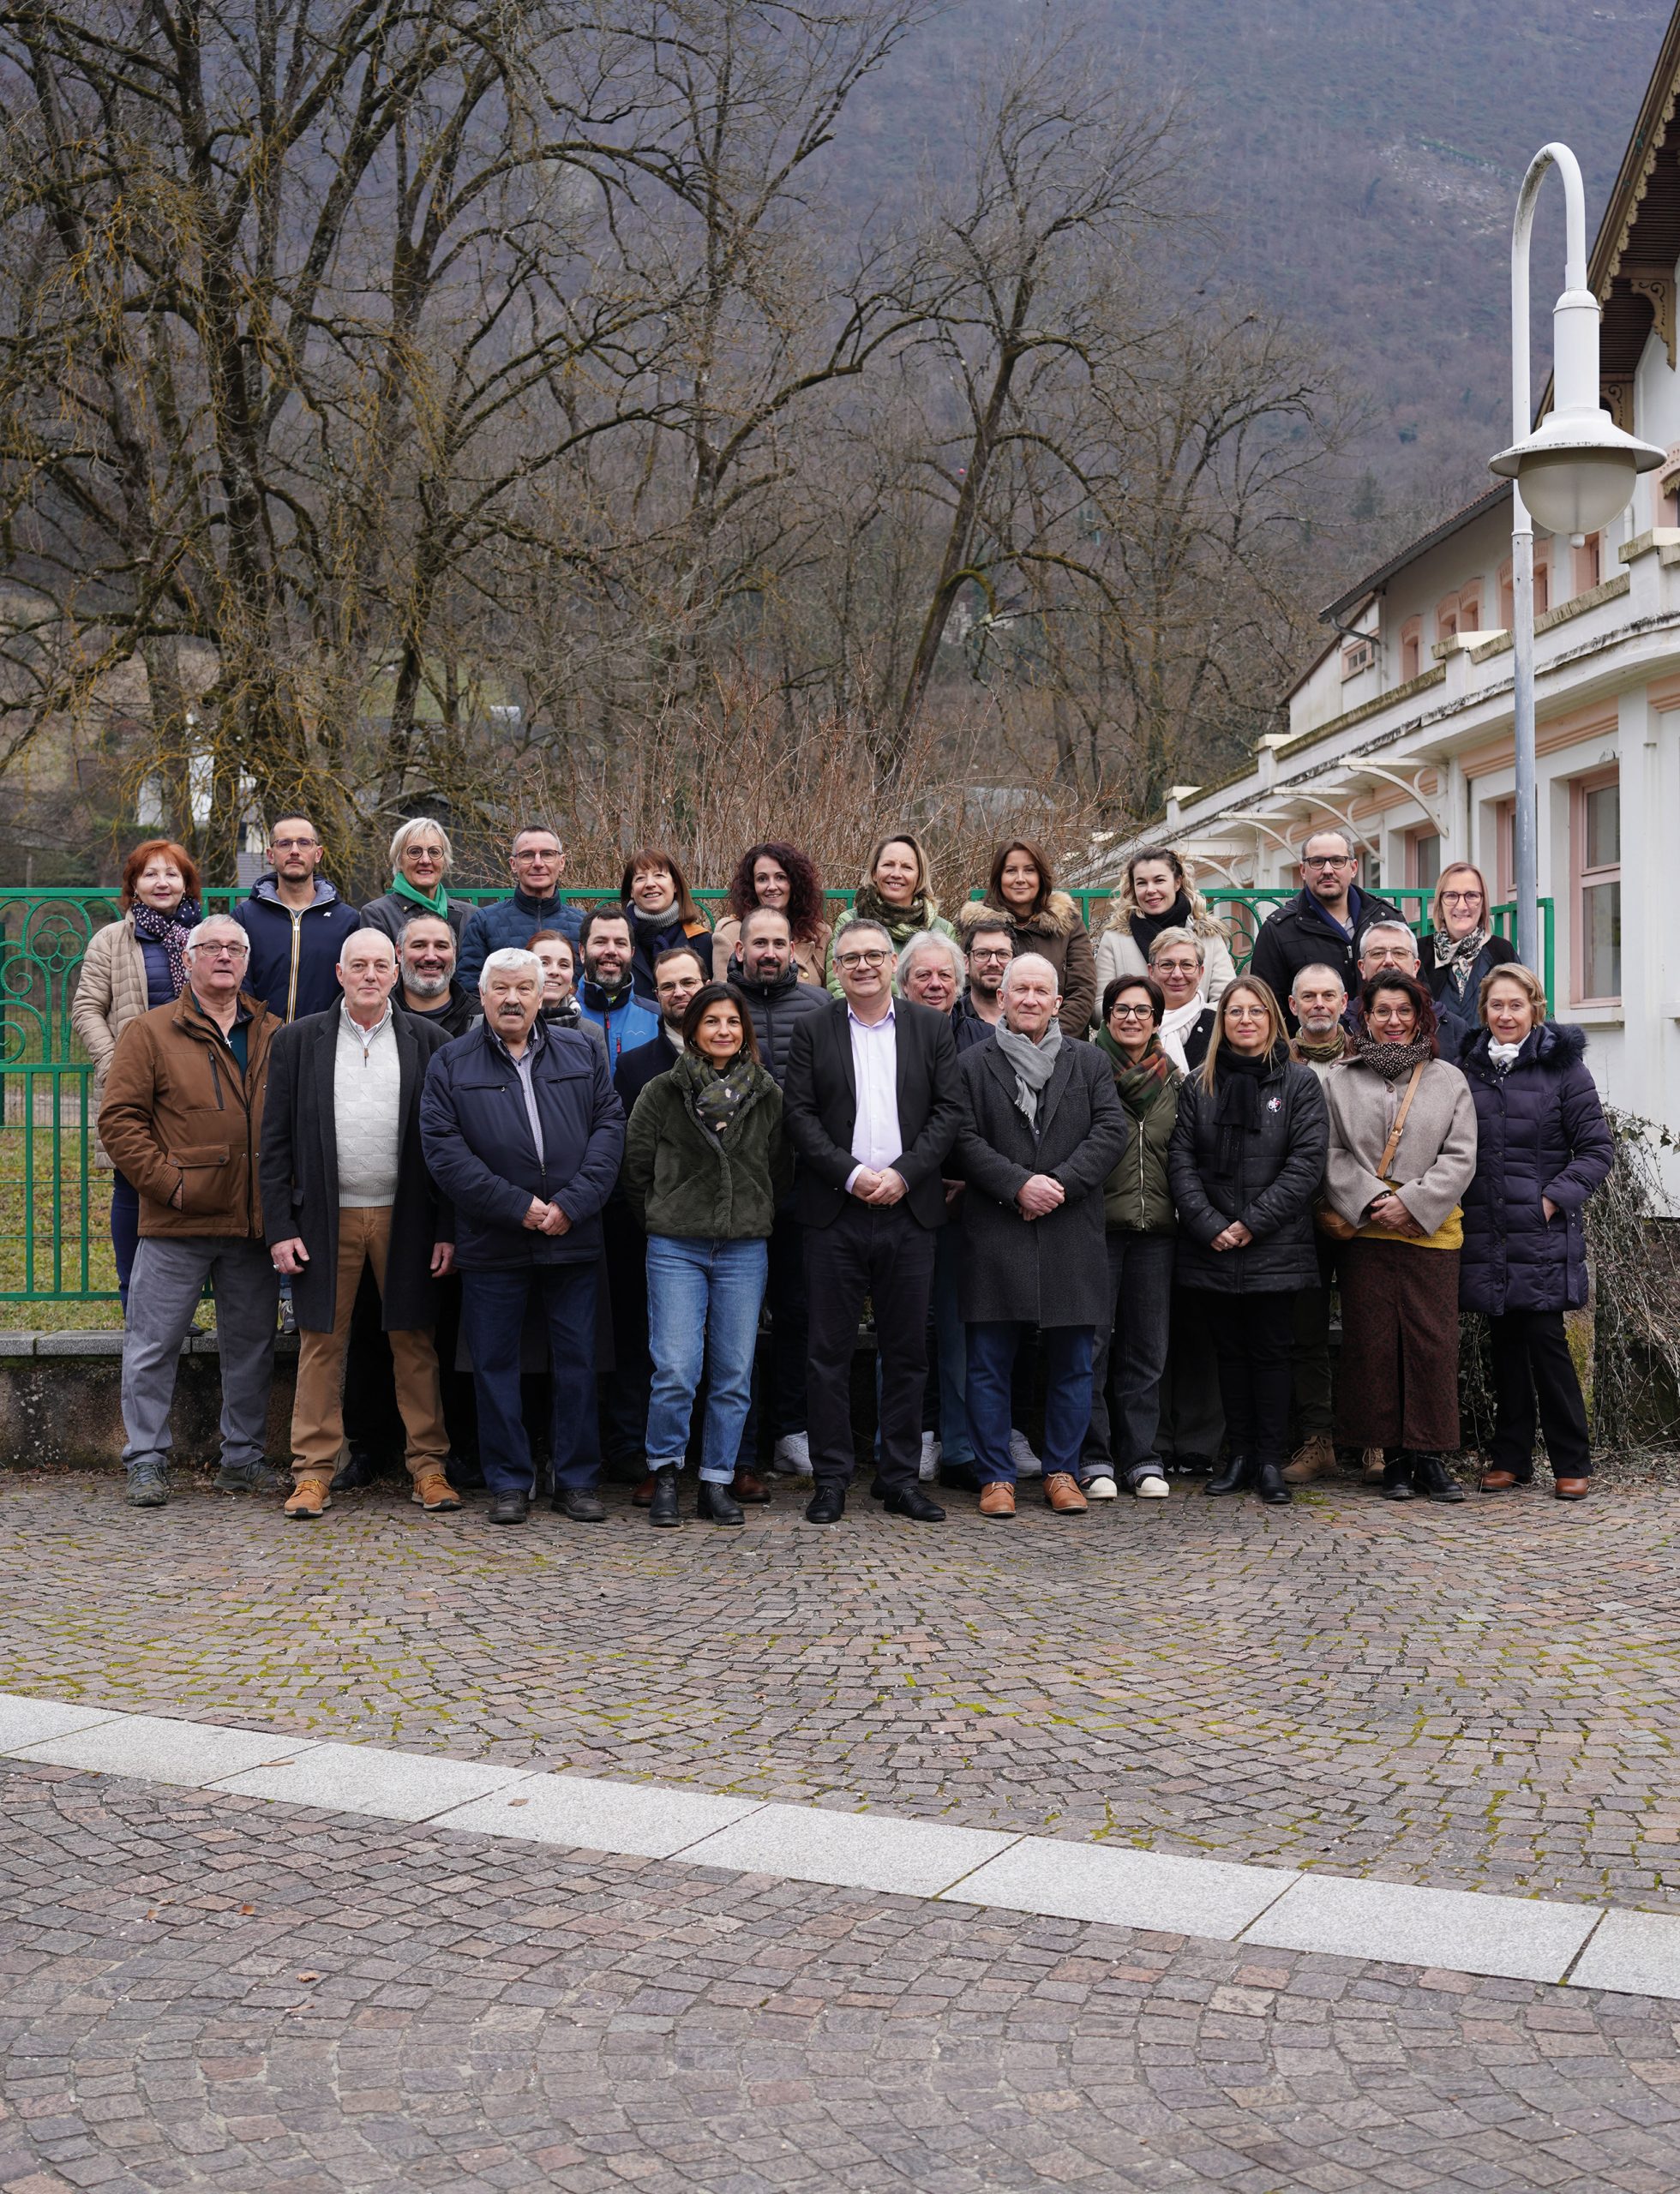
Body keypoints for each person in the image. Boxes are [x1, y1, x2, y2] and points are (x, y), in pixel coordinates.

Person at [418, 946, 624, 1525]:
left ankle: (576, 1480)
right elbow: (444, 1152)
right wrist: (518, 1208)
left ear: (543, 995)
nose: (513, 999)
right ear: (482, 996)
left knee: (577, 1363)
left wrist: (571, 1204)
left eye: (524, 989)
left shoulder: (582, 1052)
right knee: (495, 1366)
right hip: (494, 1238)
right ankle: (508, 1482)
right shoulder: (451, 1062)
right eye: (501, 989)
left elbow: (610, 1128)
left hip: (572, 1233)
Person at [260, 929, 459, 1520]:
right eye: (359, 965)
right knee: (320, 1343)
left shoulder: (432, 1041)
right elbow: (274, 1143)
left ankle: (429, 1467)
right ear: (340, 974)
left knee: (414, 1342)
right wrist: (280, 1227)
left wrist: (446, 1227)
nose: (370, 975)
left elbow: (452, 1143)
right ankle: (312, 1472)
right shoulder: (297, 1041)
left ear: (395, 972)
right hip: (325, 1216)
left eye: (380, 965)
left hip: (408, 1214)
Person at [784, 913, 963, 1524]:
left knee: (908, 1352)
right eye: (850, 958)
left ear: (893, 963)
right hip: (835, 1211)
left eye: (873, 955)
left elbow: (948, 1112)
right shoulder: (813, 1029)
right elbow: (800, 1115)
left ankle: (899, 1478)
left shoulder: (929, 1028)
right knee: (827, 1353)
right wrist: (852, 1173)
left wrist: (904, 1174)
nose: (862, 966)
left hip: (909, 1211)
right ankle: (832, 1479)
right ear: (836, 969)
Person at [97, 915, 280, 1507]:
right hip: (177, 1220)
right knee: (152, 1344)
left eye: (234, 948)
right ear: (189, 959)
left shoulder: (275, 1032)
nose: (224, 956)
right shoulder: (149, 1031)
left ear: (246, 961)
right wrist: (169, 1185)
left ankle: (243, 1459)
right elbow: (119, 1121)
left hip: (252, 1223)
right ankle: (146, 1459)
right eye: (211, 947)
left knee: (250, 1347)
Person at [954, 955, 1127, 1518]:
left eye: (1041, 990)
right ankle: (995, 1477)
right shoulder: (971, 1064)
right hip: (996, 1228)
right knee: (988, 1364)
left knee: (1074, 1363)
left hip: (1070, 1229)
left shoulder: (1089, 1061)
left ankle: (1062, 1471)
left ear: (1057, 1002)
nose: (1030, 999)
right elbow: (962, 1137)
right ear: (1001, 998)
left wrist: (1058, 1185)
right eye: (1020, 989)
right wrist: (1018, 1186)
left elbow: (1110, 1130)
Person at [622, 984, 793, 1527]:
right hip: (676, 1246)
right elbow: (636, 1169)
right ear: (693, 1028)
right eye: (712, 1021)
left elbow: (779, 1169)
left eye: (733, 1022)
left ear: (746, 1031)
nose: (724, 1030)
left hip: (744, 1248)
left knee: (734, 1371)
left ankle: (717, 1481)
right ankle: (666, 1473)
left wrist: (753, 1210)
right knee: (676, 1367)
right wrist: (666, 1212)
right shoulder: (661, 1091)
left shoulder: (766, 1094)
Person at [1167, 974, 1328, 1506]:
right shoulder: (1199, 1085)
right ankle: (1238, 1456)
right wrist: (1210, 1224)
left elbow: (1306, 1164)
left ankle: (1270, 1461)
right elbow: (1181, 1160)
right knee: (1229, 1354)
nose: (1245, 1020)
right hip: (1212, 1243)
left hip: (1273, 1243)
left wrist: (1252, 1223)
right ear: (1222, 1022)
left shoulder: (1299, 1084)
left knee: (1271, 1352)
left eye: (1256, 1011)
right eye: (1235, 1011)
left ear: (1273, 1019)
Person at [1322, 973, 1478, 1503]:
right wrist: (1373, 1200)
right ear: (1365, 1017)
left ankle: (1430, 1457)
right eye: (1382, 1011)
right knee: (1373, 1345)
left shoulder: (1449, 1080)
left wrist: (1411, 1203)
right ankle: (1390, 1459)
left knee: (1432, 1344)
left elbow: (1461, 1156)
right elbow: (1330, 1153)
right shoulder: (1340, 1081)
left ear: (1420, 1017)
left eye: (1403, 1011)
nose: (1393, 1021)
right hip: (1366, 1233)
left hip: (1431, 1233)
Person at [1458, 965, 1612, 1501]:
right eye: (1496, 1005)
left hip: (1540, 1232)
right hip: (1485, 1229)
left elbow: (1596, 1150)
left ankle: (1572, 1460)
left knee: (1547, 1344)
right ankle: (1511, 1458)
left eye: (1516, 1005)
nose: (1505, 1015)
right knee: (1503, 1345)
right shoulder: (1466, 1070)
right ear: (1484, 1011)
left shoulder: (1564, 1069)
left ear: (1535, 1009)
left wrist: (1552, 1198)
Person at [72, 839, 203, 1306]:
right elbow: (87, 1008)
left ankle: (180, 1306)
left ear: (187, 884)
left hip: (197, 1086)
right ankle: (135, 1301)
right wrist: (116, 1067)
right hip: (136, 1086)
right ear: (133, 884)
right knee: (132, 1185)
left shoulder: (206, 937)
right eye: (150, 874)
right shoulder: (111, 940)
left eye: (172, 873)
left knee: (194, 1183)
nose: (161, 882)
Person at [726, 910, 830, 1487]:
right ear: (739, 949)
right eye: (758, 942)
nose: (768, 952)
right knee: (734, 1321)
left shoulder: (819, 1006)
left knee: (798, 1312)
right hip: (735, 1188)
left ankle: (793, 1431)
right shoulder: (719, 1004)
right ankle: (736, 1448)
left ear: (793, 949)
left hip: (802, 1185)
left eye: (778, 943)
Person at [606, 945, 710, 1502]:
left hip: (726, 1230)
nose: (680, 993)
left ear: (706, 983)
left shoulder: (738, 1056)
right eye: (668, 986)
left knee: (723, 1348)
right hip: (651, 1227)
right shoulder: (634, 1065)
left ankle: (720, 1456)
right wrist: (651, 1216)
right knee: (646, 1343)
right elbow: (630, 1156)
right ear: (656, 996)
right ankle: (637, 1452)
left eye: (688, 982)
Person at [1080, 974, 1181, 1502]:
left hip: (1156, 1231)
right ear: (1106, 1015)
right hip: (1095, 1228)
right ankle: (1093, 1455)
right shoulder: (1084, 1068)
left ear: (1157, 1020)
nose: (1132, 1019)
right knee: (1091, 1346)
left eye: (1143, 1010)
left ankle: (1141, 1457)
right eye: (1121, 1009)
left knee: (1146, 1349)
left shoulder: (1176, 1081)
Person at [897, 929, 979, 1482]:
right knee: (901, 1333)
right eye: (922, 975)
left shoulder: (983, 1040)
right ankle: (901, 1445)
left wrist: (974, 1183)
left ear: (960, 983)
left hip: (964, 1207)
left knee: (958, 1335)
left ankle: (961, 1450)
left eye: (944, 974)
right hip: (899, 1200)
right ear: (903, 984)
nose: (934, 984)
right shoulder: (882, 1037)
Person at [1281, 964, 1362, 1489]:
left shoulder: (1367, 1057)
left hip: (1361, 1211)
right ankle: (1318, 1441)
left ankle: (1373, 1439)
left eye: (1328, 996)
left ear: (1343, 1001)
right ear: (1293, 1005)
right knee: (1305, 1331)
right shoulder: (1277, 1059)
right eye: (1308, 996)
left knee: (1368, 1328)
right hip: (1297, 1214)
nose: (1318, 1005)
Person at [1249, 828, 1406, 1023]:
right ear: (1303, 870)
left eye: (1338, 861)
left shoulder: (1388, 919)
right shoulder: (1278, 931)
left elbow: (1416, 988)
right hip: (1311, 1041)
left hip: (1385, 1038)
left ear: (1353, 867)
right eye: (1317, 862)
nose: (1328, 870)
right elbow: (1267, 1011)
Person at [957, 839, 1097, 1034]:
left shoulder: (1067, 923)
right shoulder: (978, 927)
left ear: (1041, 876)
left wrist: (1047, 1038)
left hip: (1059, 1040)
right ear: (999, 877)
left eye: (1029, 870)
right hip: (988, 1039)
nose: (1020, 879)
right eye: (1011, 871)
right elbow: (966, 989)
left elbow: (1083, 990)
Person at [233, 814, 364, 1022]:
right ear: (270, 855)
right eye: (284, 843)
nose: (294, 851)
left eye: (304, 843)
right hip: (259, 1036)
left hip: (323, 1037)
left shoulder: (347, 921)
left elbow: (353, 987)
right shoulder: (245, 917)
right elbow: (238, 984)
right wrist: (260, 1028)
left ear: (318, 854)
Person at [1095, 847, 1235, 1007]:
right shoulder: (1115, 938)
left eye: (1159, 880)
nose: (1150, 890)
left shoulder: (1207, 934)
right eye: (1141, 883)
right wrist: (1140, 1016)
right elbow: (1100, 1004)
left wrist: (1184, 1017)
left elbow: (1226, 1001)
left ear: (1177, 882)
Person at [457, 824, 582, 998]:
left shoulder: (583, 925)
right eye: (527, 855)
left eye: (547, 854)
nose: (538, 863)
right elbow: (470, 988)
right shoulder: (484, 922)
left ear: (561, 862)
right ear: (513, 864)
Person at [827, 832, 955, 993]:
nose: (896, 874)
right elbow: (838, 986)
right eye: (888, 865)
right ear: (874, 873)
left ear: (919, 877)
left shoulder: (942, 929)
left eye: (907, 867)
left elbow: (951, 988)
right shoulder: (850, 921)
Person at [1420, 862, 1517, 1053]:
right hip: (1433, 1064)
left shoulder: (1501, 951)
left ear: (1483, 903)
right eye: (1451, 896)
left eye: (1471, 895)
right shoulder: (1419, 953)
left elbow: (1520, 1010)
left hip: (1489, 1064)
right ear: (1440, 903)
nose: (1462, 906)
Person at [711, 841, 832, 988]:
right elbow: (723, 997)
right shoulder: (730, 933)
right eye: (762, 879)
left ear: (795, 883)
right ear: (751, 886)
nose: (772, 887)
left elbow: (829, 995)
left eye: (780, 877)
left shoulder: (819, 933)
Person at [621, 848, 713, 1002]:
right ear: (631, 890)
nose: (650, 884)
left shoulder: (702, 941)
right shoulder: (619, 942)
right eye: (640, 878)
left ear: (675, 885)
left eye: (659, 875)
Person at [575, 906, 660, 1066]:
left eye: (620, 943)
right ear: (582, 952)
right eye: (600, 942)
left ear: (632, 954)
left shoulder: (658, 1019)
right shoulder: (565, 1017)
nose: (611, 951)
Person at [360, 818, 465, 945]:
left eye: (434, 852)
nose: (425, 860)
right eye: (414, 852)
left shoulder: (470, 915)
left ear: (445, 861)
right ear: (399, 861)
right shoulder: (378, 915)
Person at [1148, 928, 1218, 1072]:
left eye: (1187, 965)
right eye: (1167, 965)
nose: (1177, 974)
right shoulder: (1134, 1022)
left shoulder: (1220, 1027)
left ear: (1201, 973)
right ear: (1151, 972)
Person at [394, 914, 474, 1038]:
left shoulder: (482, 1017)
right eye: (419, 946)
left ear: (454, 953)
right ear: (399, 953)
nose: (431, 957)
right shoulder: (379, 1014)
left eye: (441, 946)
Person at [529, 929, 605, 1050]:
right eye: (543, 963)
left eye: (564, 965)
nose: (554, 971)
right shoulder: (505, 1024)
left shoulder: (592, 1034)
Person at [953, 920, 1011, 1047]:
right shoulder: (951, 1021)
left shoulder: (1030, 1018)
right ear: (966, 963)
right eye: (982, 954)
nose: (993, 963)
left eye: (1003, 954)